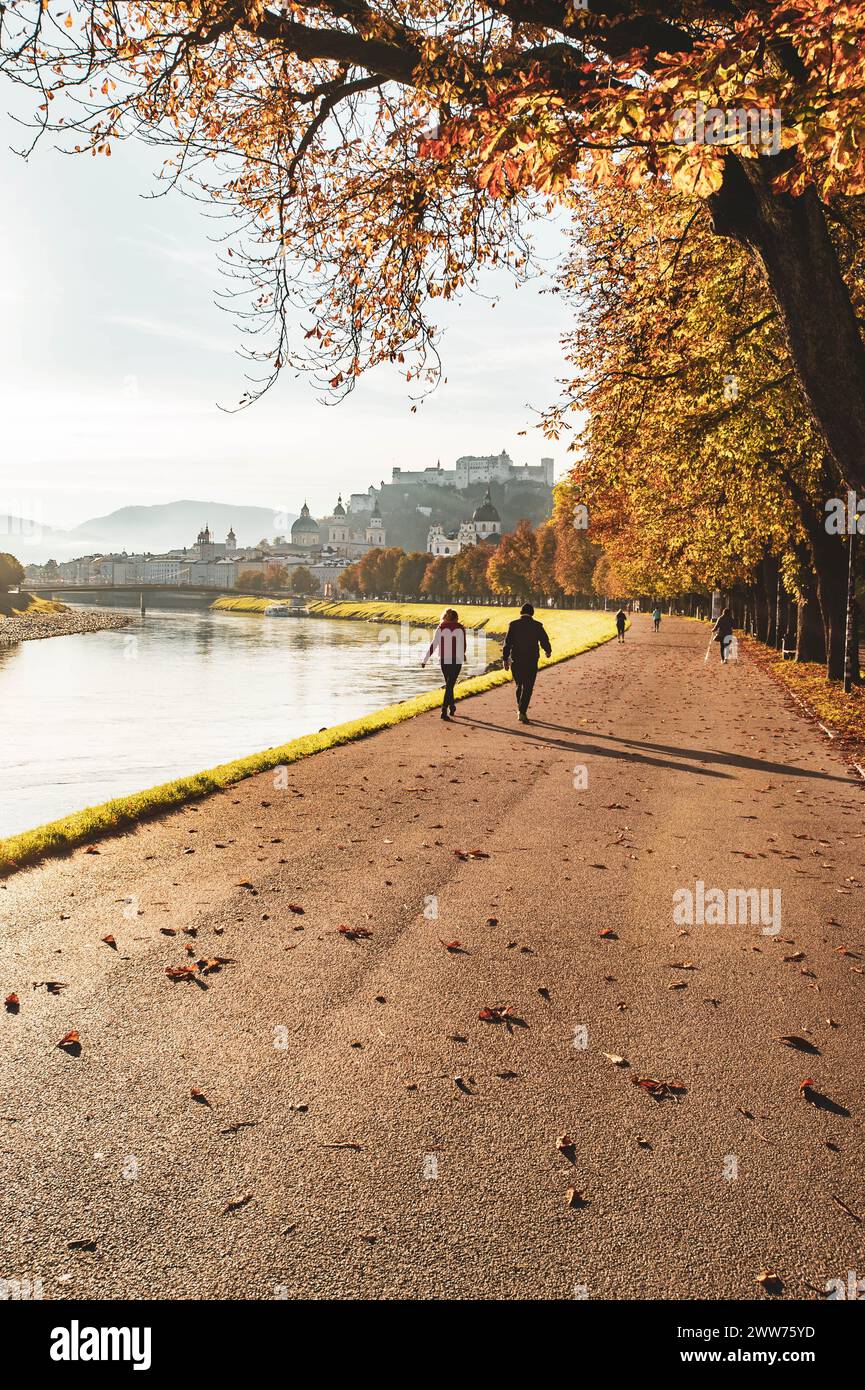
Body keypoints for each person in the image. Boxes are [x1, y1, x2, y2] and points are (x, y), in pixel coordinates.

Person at [502, 603, 552, 724]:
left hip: (516, 659)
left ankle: (520, 708)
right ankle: (522, 711)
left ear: (521, 612)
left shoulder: (513, 625)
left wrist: (505, 659)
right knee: (528, 686)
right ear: (532, 613)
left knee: (519, 684)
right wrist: (548, 650)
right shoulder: (537, 625)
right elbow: (544, 639)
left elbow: (507, 643)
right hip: (531, 659)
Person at [421, 608, 467, 720]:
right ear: (456, 618)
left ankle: (451, 705)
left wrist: (425, 659)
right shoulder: (460, 628)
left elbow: (434, 644)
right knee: (450, 684)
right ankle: (444, 708)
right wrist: (463, 654)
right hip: (456, 659)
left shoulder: (441, 627)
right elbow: (463, 645)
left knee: (449, 684)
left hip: (444, 659)